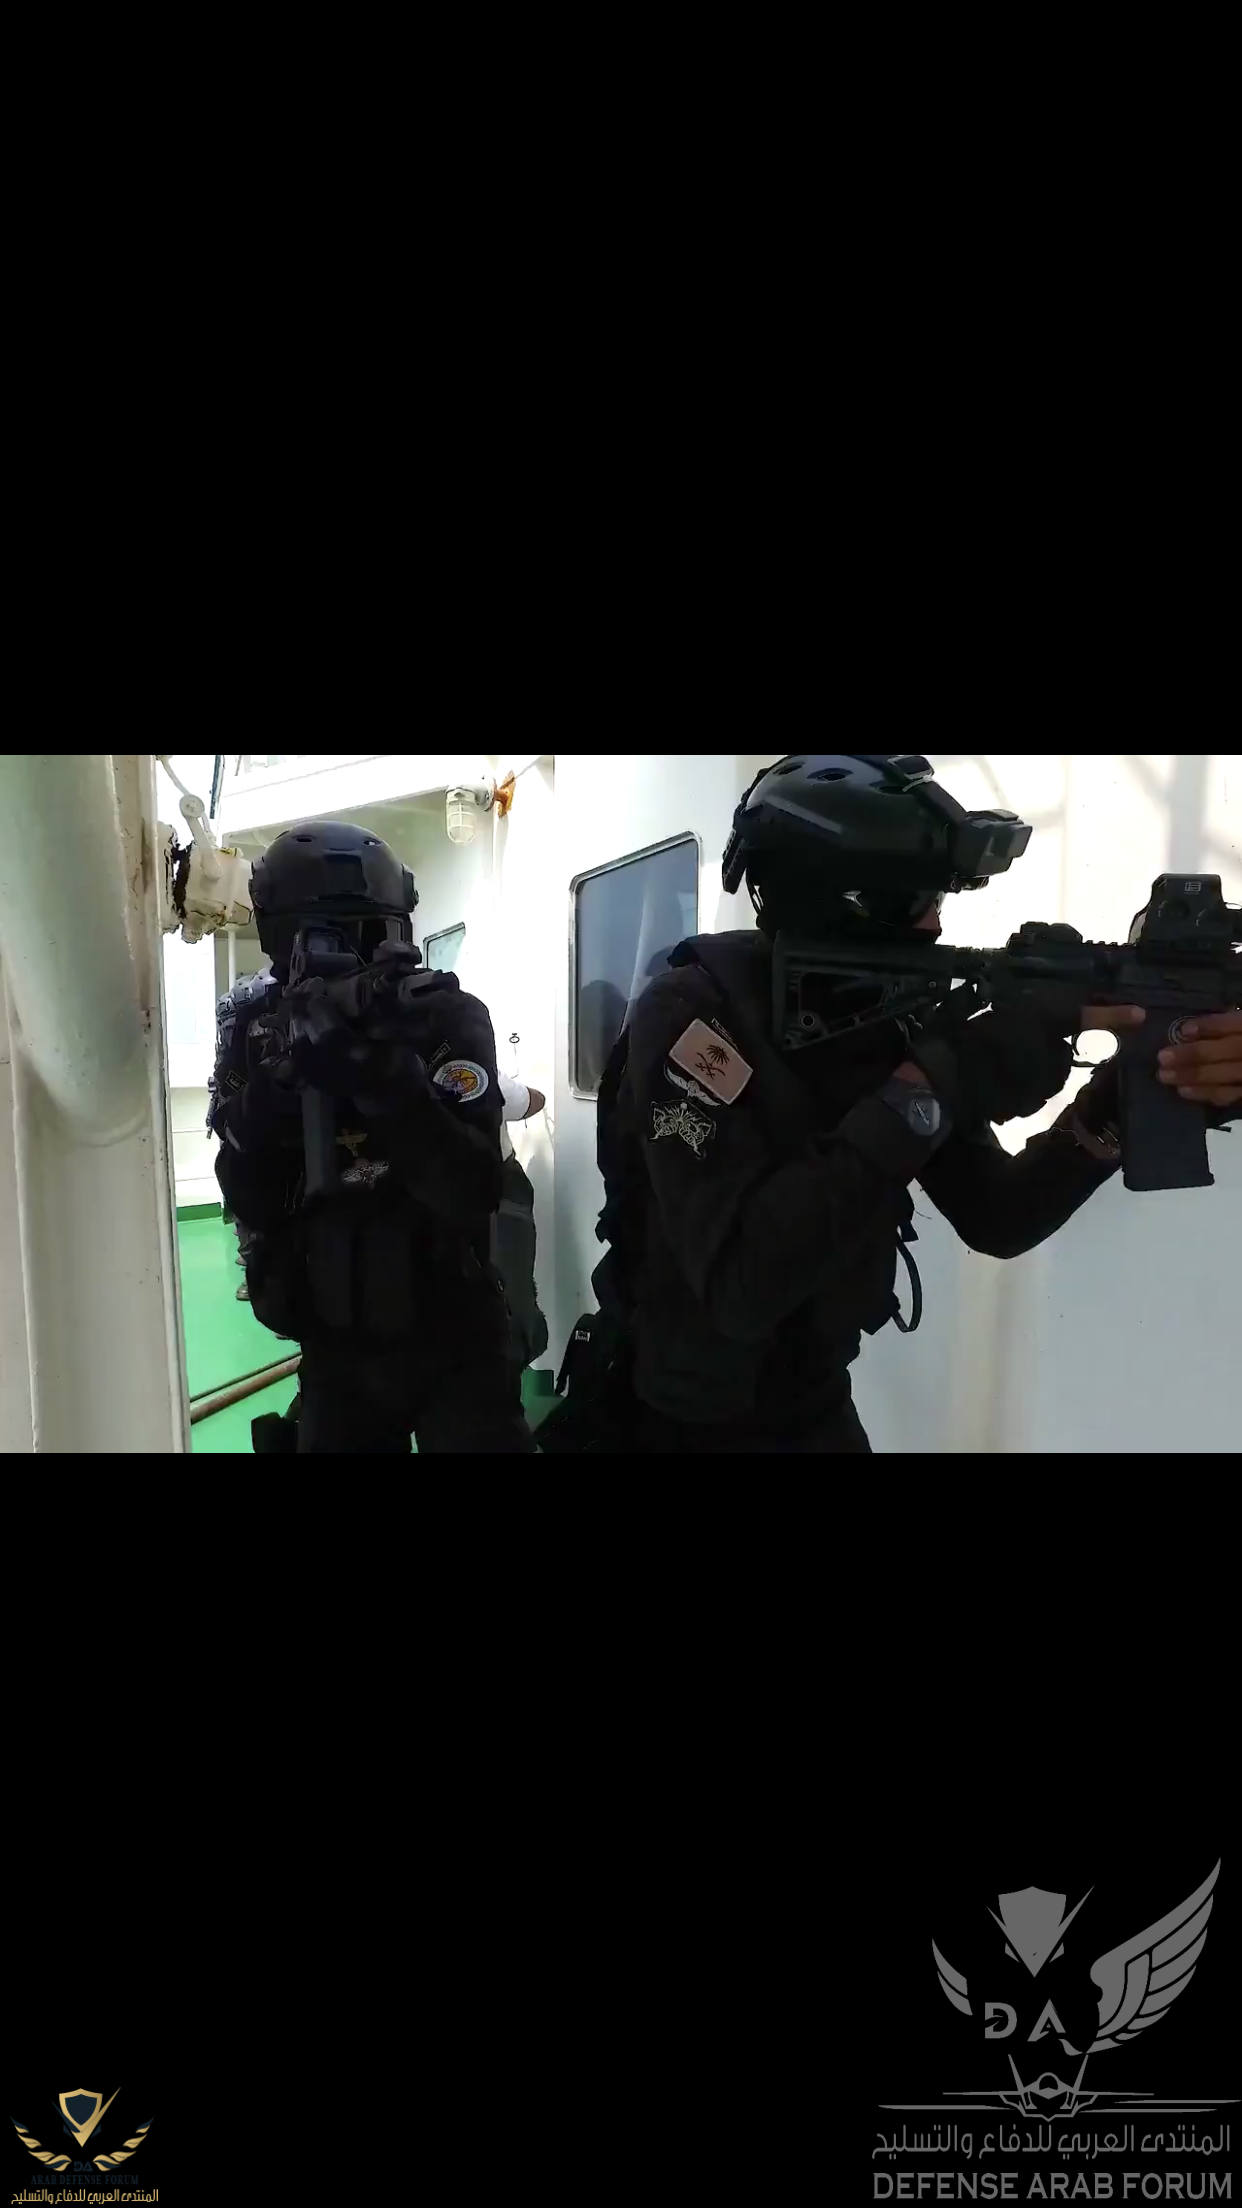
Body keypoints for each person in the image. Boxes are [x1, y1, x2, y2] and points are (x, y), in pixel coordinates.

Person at [550, 753, 1241, 1456]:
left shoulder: (884, 1019)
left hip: (814, 1404)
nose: (937, 926)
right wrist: (936, 1085)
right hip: (673, 1422)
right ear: (840, 901)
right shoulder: (694, 1017)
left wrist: (1130, 1084)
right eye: (919, 901)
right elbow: (741, 1284)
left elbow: (1001, 1214)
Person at [207, 820, 536, 1454]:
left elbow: (472, 1188)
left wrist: (385, 1081)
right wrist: (281, 1090)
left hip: (455, 1330)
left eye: (359, 935)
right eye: (314, 939)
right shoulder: (259, 1030)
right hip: (336, 1341)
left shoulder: (439, 1017)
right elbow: (245, 1189)